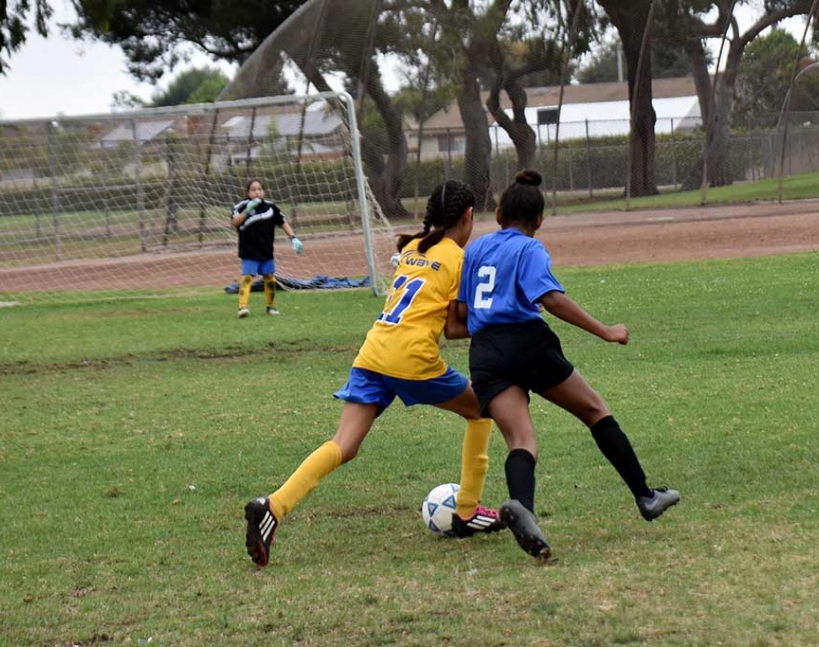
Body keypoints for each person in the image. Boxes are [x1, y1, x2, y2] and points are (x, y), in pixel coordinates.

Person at [244, 180, 505, 568]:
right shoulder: (457, 258)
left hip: (373, 352)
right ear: (468, 217)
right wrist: (495, 320)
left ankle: (274, 506)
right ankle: (466, 508)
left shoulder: (412, 247)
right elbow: (453, 328)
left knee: (343, 445)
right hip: (411, 357)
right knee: (481, 409)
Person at [457, 169, 680, 562]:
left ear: (499, 214)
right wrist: (606, 330)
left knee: (521, 441)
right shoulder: (530, 250)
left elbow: (457, 316)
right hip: (526, 342)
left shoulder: (474, 251)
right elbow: (551, 298)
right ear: (539, 221)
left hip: (485, 351)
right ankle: (645, 496)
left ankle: (522, 507)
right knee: (594, 410)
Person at [231, 179, 304, 318]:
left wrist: (293, 238)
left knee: (269, 276)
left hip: (266, 251)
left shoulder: (271, 207)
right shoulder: (240, 207)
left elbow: (283, 222)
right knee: (247, 277)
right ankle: (242, 307)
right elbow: (235, 223)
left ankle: (270, 307)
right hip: (249, 251)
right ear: (248, 192)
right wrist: (247, 211)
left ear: (263, 191)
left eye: (259, 189)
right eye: (253, 189)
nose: (257, 192)